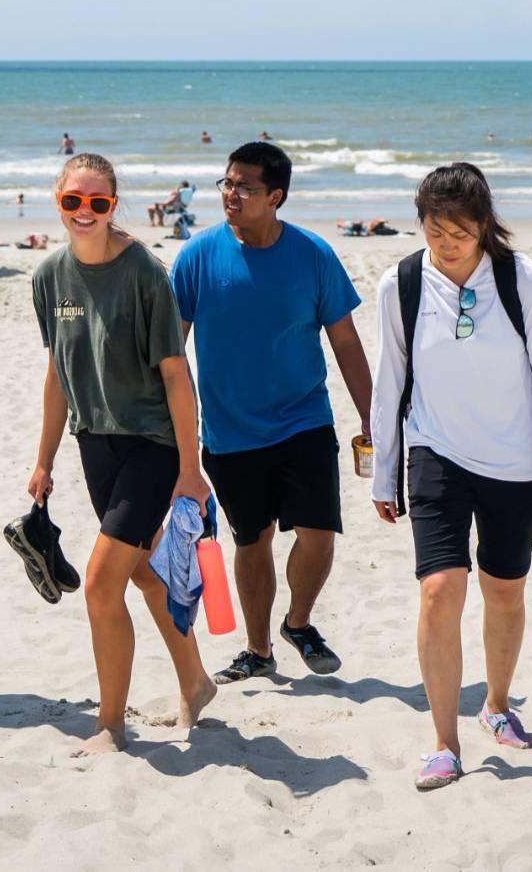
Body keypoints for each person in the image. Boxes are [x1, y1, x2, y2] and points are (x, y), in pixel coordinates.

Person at [368, 163, 532, 791]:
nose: (447, 244)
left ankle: (497, 703)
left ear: (484, 225)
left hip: (515, 463)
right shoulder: (400, 283)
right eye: (435, 231)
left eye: (460, 231)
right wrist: (384, 473)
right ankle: (443, 741)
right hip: (435, 453)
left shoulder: (523, 281)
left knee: (504, 591)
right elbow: (389, 382)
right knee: (438, 591)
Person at [28, 153, 217, 755]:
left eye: (98, 203)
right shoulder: (47, 278)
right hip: (94, 443)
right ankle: (195, 680)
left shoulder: (144, 273)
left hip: (153, 446)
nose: (85, 212)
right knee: (141, 569)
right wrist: (44, 460)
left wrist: (190, 468)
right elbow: (58, 373)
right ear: (58, 202)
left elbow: (176, 376)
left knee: (100, 585)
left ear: (113, 206)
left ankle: (109, 725)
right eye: (73, 202)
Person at [172, 142, 373, 686]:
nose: (231, 194)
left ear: (276, 196)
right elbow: (172, 351)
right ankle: (258, 650)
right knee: (251, 539)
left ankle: (299, 622)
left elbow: (346, 342)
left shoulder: (312, 255)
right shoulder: (197, 256)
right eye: (227, 183)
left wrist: (370, 416)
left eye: (245, 187)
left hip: (305, 419)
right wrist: (175, 431)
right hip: (230, 429)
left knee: (318, 533)